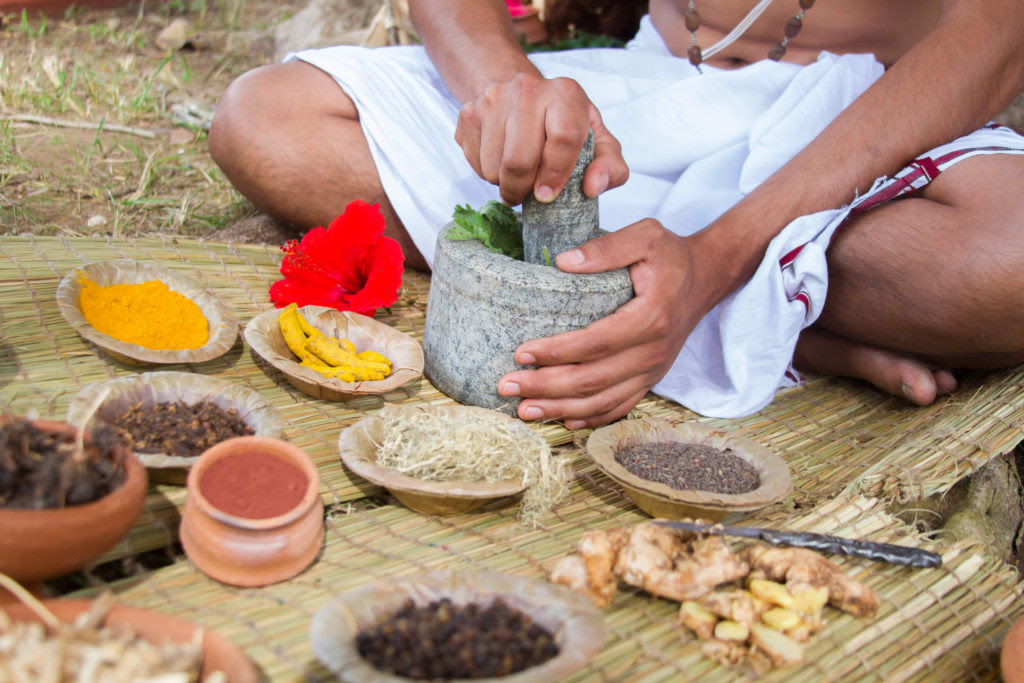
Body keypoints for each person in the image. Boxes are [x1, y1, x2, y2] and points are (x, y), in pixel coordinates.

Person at [208, 0, 1024, 428]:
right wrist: (508, 89)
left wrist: (719, 253)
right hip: (649, 96)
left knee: (1008, 261)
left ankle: (718, 294)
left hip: (867, 123)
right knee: (269, 121)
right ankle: (781, 321)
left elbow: (996, 35)